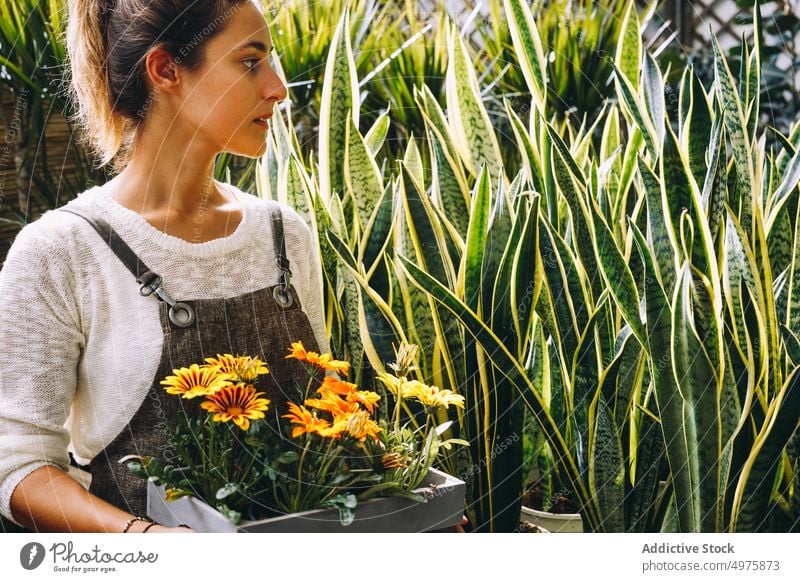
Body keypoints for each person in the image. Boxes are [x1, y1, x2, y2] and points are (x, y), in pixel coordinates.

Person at [0, 0, 330, 533]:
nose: (278, 87)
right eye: (250, 61)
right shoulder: (62, 252)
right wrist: (151, 544)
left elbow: (326, 417)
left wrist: (405, 499)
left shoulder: (284, 235)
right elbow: (18, 468)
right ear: (166, 70)